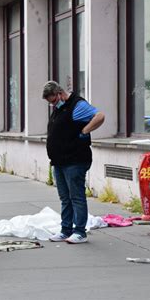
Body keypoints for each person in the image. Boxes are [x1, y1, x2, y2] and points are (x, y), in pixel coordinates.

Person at [42, 81, 105, 244]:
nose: (52, 105)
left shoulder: (78, 105)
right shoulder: (59, 108)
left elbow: (99, 116)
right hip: (59, 161)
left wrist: (84, 130)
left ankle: (80, 231)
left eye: (53, 101)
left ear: (60, 93)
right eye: (50, 103)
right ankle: (66, 229)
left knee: (76, 196)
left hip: (75, 160)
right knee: (65, 197)